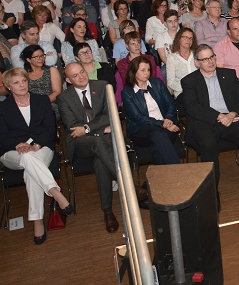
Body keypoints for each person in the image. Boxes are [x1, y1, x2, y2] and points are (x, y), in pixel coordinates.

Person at [57, 63, 147, 232]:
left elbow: (109, 114)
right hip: (81, 144)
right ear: (68, 80)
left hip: (103, 141)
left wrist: (86, 128)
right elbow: (73, 127)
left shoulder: (102, 86)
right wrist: (97, 130)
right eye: (75, 75)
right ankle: (128, 185)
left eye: (82, 72)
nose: (81, 76)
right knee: (97, 142)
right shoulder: (64, 98)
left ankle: (107, 212)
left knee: (101, 162)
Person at [179, 44, 239, 206]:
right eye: (205, 59)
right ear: (197, 62)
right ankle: (212, 193)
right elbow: (193, 108)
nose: (210, 61)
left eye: (212, 57)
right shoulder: (189, 81)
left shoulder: (228, 74)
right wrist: (218, 116)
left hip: (230, 118)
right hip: (205, 121)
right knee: (208, 144)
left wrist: (232, 114)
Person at [0, 68, 72, 244]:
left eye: (24, 81)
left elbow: (50, 129)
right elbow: (2, 137)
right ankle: (55, 192)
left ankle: (37, 221)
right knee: (26, 157)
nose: (22, 85)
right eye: (16, 82)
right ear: (8, 86)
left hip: (42, 147)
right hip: (12, 152)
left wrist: (36, 145)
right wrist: (17, 145)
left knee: (30, 170)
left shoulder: (42, 101)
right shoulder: (3, 108)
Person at [121, 57, 181, 166]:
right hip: (142, 130)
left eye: (148, 70)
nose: (147, 73)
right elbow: (138, 118)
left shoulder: (157, 83)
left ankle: (161, 177)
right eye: (143, 70)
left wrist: (168, 120)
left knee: (158, 146)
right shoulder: (127, 93)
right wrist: (162, 124)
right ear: (134, 71)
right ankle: (179, 169)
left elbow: (171, 104)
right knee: (157, 134)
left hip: (166, 125)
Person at [21, 44, 62, 121]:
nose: (40, 59)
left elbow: (57, 92)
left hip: (49, 104)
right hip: (29, 106)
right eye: (36, 57)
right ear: (28, 59)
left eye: (42, 56)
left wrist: (41, 104)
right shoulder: (23, 74)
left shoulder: (51, 70)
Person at [166, 27, 197, 98]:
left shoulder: (196, 54)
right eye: (185, 37)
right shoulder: (171, 58)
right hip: (182, 91)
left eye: (191, 38)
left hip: (199, 89)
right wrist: (186, 87)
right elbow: (171, 82)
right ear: (179, 39)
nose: (188, 40)